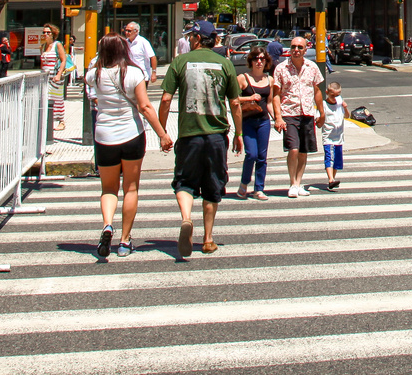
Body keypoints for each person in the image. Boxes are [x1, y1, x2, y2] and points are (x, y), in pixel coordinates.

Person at [158, 21, 241, 257]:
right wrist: (239, 134)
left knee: (184, 182)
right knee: (212, 185)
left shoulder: (180, 62)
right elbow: (235, 103)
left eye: (190, 37)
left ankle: (186, 219)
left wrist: (163, 132)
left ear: (196, 38)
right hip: (216, 136)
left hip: (189, 135)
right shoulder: (224, 64)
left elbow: (165, 100)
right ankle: (208, 239)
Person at [88, 33, 172, 259]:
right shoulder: (134, 73)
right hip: (132, 135)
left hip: (104, 136)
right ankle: (125, 240)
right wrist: (162, 134)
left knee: (108, 189)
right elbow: (145, 107)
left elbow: (94, 93)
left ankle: (107, 225)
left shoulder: (94, 74)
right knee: (131, 188)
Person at [271, 35, 325, 198]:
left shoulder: (312, 67)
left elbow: (317, 91)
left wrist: (321, 113)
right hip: (289, 113)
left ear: (305, 50)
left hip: (307, 113)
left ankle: (299, 182)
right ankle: (292, 183)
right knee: (293, 149)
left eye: (299, 47)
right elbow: (276, 95)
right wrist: (278, 117)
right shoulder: (281, 68)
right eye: (293, 47)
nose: (296, 50)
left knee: (303, 151)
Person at [236, 43, 276, 200]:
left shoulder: (269, 80)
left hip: (263, 121)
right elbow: (233, 99)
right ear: (251, 61)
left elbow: (270, 103)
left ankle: (259, 188)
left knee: (262, 156)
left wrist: (277, 119)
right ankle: (244, 183)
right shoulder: (243, 79)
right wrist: (250, 98)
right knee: (251, 154)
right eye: (256, 59)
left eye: (262, 59)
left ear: (266, 61)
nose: (259, 62)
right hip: (247, 121)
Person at [321, 79, 351, 191]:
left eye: (337, 95)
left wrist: (345, 107)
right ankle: (330, 179)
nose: (335, 97)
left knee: (337, 161)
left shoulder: (340, 103)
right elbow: (319, 118)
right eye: (332, 95)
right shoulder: (324, 104)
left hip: (339, 137)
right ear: (327, 93)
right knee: (329, 157)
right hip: (328, 136)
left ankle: (333, 178)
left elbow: (347, 116)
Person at [39, 26, 69, 131]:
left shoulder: (57, 45)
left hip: (55, 77)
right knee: (45, 98)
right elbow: (42, 62)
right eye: (44, 32)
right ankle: (48, 119)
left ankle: (61, 120)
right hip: (45, 77)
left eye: (48, 32)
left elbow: (63, 60)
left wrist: (59, 74)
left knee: (57, 99)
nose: (45, 34)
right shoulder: (42, 47)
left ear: (53, 34)